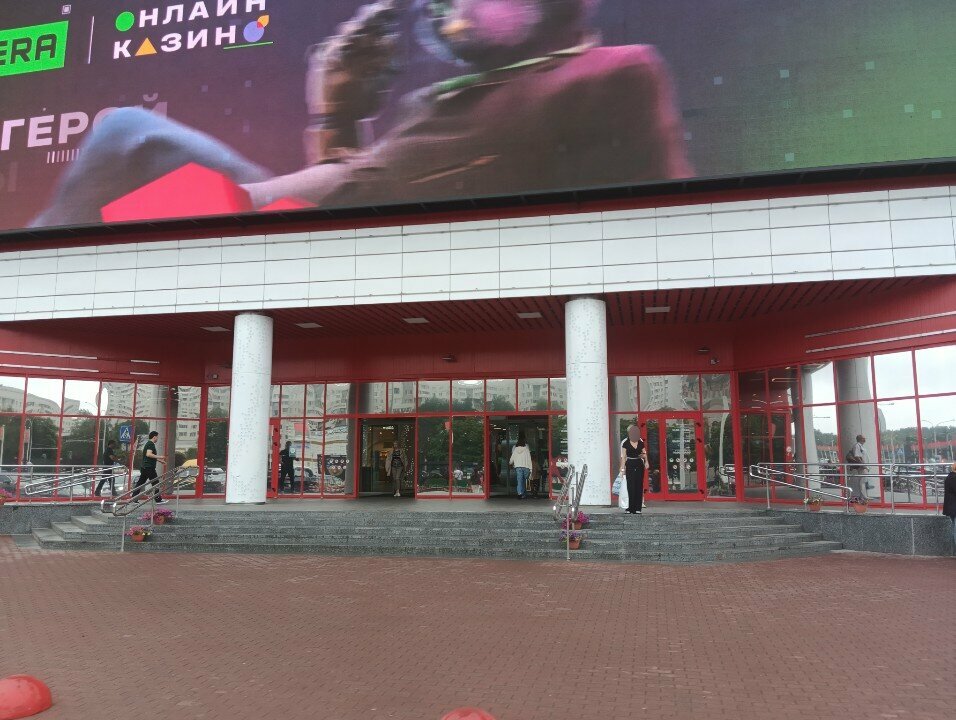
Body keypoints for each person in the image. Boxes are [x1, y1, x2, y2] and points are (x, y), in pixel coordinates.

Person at [32, 0, 690, 228]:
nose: (445, 11)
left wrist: (230, 205)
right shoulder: (461, 95)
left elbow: (659, 220)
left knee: (130, 140)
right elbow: (363, 193)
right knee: (129, 140)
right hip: (349, 238)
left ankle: (66, 268)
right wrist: (339, 116)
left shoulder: (613, 74)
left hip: (437, 265)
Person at [619, 425, 647, 514]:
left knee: (639, 485)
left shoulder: (640, 441)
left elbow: (644, 453)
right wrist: (622, 468)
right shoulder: (625, 443)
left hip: (639, 464)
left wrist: (645, 460)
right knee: (630, 486)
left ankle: (638, 508)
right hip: (630, 464)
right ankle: (631, 508)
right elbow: (623, 457)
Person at [135, 431, 166, 504]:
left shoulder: (148, 444)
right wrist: (160, 457)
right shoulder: (150, 444)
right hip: (149, 467)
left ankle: (134, 498)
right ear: (154, 437)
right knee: (156, 483)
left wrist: (160, 460)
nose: (157, 439)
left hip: (145, 467)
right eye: (157, 437)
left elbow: (149, 456)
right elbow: (148, 454)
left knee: (140, 483)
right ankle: (158, 499)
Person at [845, 434, 868, 501]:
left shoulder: (861, 446)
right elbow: (857, 456)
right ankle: (863, 496)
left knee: (863, 480)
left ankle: (862, 496)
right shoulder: (857, 446)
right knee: (862, 481)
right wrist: (863, 465)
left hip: (864, 465)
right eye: (864, 438)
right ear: (860, 439)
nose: (865, 439)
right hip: (862, 466)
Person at [510, 433, 532, 499]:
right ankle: (524, 494)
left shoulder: (515, 449)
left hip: (518, 467)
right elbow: (529, 459)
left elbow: (512, 459)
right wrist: (531, 468)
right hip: (526, 466)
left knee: (519, 481)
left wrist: (510, 463)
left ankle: (520, 493)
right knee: (524, 480)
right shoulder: (527, 449)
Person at [944, 463, 956, 552]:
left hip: (951, 507)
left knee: (954, 528)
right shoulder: (953, 478)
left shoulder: (949, 477)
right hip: (954, 507)